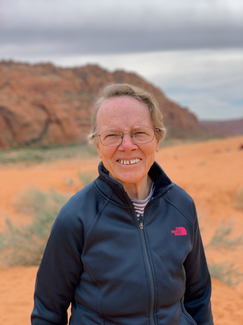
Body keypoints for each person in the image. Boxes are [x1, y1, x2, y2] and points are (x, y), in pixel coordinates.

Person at [31, 83, 214, 325]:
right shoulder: (76, 217)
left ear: (157, 139)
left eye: (139, 133)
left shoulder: (182, 206)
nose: (127, 146)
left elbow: (198, 296)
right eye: (112, 135)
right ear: (98, 145)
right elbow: (47, 312)